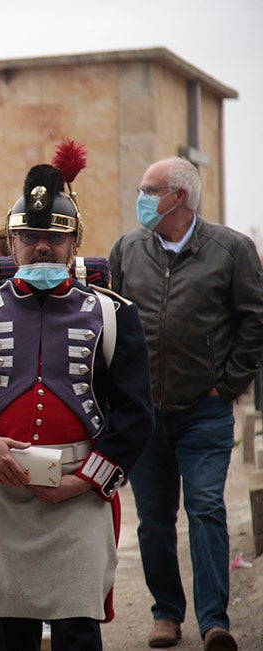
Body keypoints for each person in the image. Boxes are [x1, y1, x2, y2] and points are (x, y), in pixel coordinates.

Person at [0, 151, 154, 651]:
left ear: (75, 241)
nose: (42, 247)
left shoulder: (114, 313)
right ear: (12, 242)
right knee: (11, 629)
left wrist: (83, 481)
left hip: (79, 494)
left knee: (77, 628)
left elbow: (137, 414)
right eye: (30, 236)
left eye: (55, 236)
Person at [110, 156, 263, 651]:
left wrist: (228, 382)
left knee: (204, 510)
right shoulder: (128, 249)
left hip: (204, 409)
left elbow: (254, 321)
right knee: (153, 519)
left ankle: (214, 619)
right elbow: (110, 319)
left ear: (179, 197)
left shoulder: (231, 250)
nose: (141, 196)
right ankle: (165, 613)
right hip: (144, 413)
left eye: (148, 189)